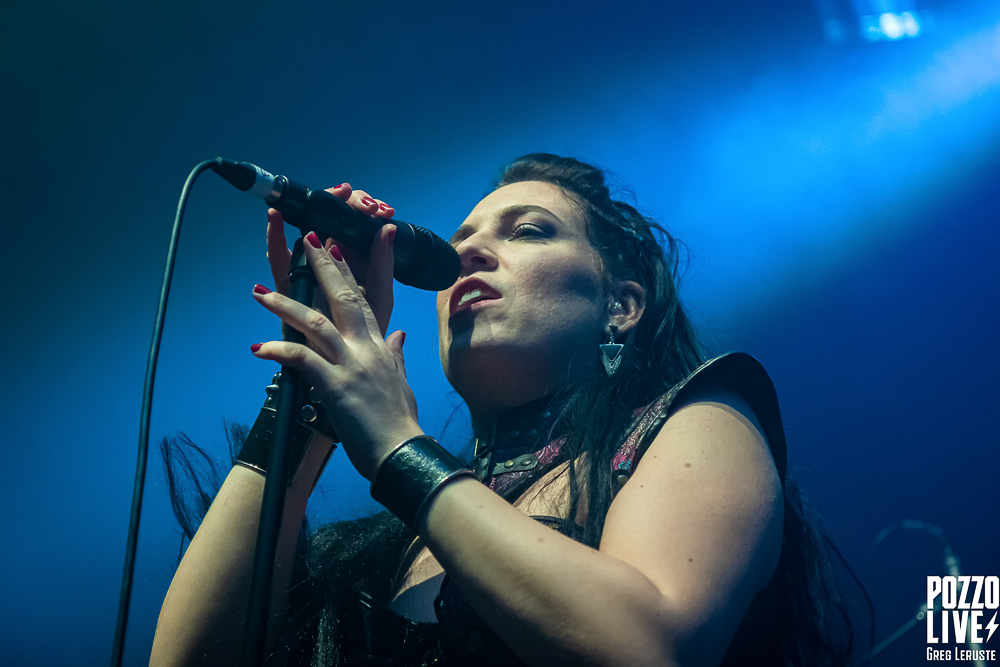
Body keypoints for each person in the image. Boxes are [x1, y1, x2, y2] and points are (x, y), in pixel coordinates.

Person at [151, 154, 867, 666]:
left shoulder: (700, 420)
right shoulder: (388, 546)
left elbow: (650, 646)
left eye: (527, 231)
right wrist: (311, 387)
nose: (469, 257)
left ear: (621, 306)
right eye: (459, 245)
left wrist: (398, 446)